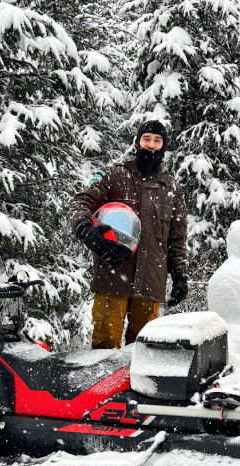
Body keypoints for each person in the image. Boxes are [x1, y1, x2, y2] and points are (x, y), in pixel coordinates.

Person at [69, 120, 188, 349]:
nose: (151, 145)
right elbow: (81, 202)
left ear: (163, 146)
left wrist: (180, 274)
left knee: (144, 351)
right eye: (146, 139)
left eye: (157, 141)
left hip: (151, 281)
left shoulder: (171, 188)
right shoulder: (113, 175)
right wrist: (86, 229)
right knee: (104, 348)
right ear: (137, 141)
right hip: (113, 273)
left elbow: (177, 236)